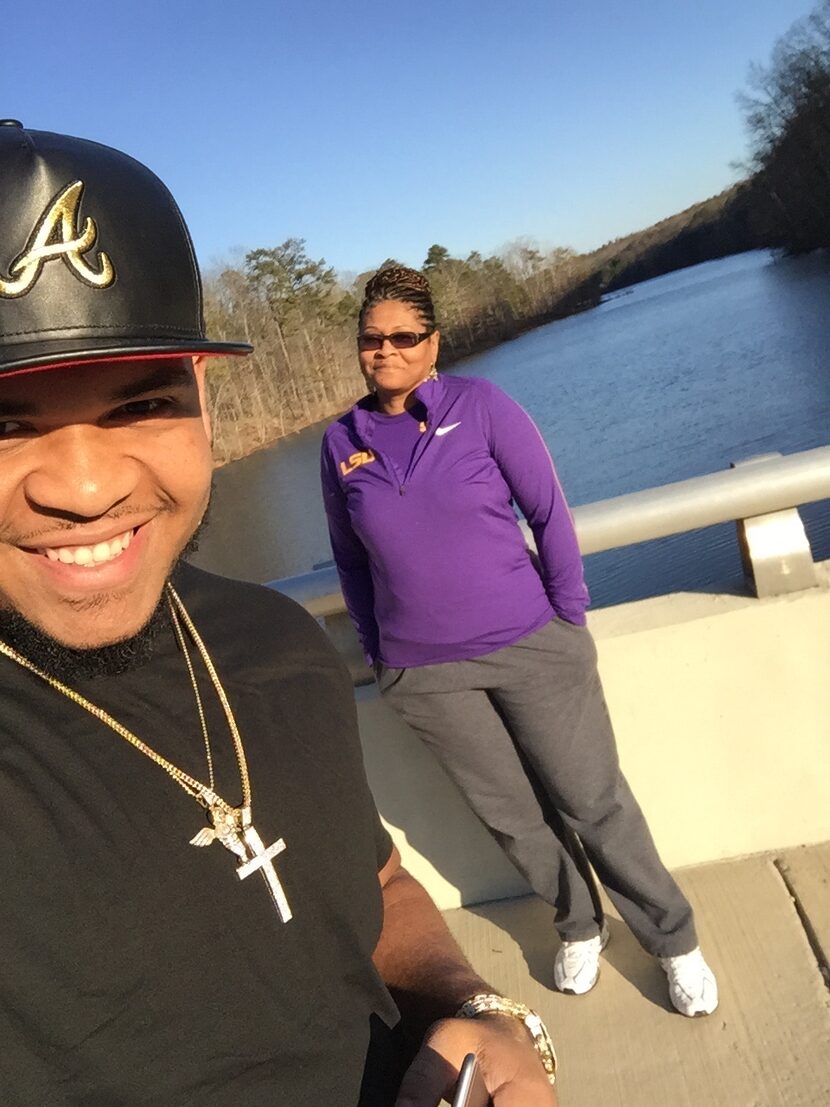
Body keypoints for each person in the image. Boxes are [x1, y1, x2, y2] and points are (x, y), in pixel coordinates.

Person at [0, 122, 560, 1106]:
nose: (84, 488)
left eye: (138, 404)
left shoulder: (278, 645)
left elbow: (375, 887)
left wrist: (475, 1011)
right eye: (6, 423)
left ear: (203, 395)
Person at [321, 266, 719, 1018]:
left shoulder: (480, 407)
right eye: (371, 339)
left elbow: (548, 511)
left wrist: (568, 617)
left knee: (594, 799)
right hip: (426, 673)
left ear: (433, 342)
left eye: (404, 336)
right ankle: (579, 923)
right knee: (512, 815)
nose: (386, 351)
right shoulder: (342, 442)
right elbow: (349, 558)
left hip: (531, 645)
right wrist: (384, 656)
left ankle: (673, 939)